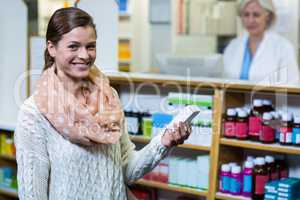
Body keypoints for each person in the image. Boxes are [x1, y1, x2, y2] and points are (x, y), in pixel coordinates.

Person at [15, 7, 191, 200]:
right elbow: (32, 196)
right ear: (52, 48)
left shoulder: (108, 98)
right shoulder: (34, 114)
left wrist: (163, 143)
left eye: (90, 46)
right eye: (73, 46)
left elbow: (126, 170)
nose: (84, 55)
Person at [223, 0, 299, 84]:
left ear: (268, 17)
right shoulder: (232, 47)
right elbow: (224, 82)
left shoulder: (283, 48)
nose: (250, 20)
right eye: (246, 15)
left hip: (272, 97)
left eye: (256, 15)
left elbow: (292, 85)